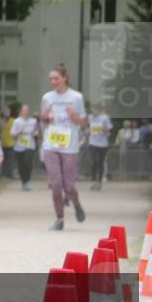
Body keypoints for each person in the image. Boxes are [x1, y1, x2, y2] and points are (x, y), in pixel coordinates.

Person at [40, 63, 87, 230]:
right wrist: (45, 117)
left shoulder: (76, 97)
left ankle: (76, 204)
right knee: (56, 184)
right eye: (51, 79)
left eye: (56, 78)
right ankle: (59, 219)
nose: (53, 81)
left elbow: (83, 123)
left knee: (69, 186)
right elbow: (44, 122)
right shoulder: (47, 97)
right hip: (51, 144)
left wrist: (74, 116)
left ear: (65, 78)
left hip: (69, 145)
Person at [10, 104, 38, 190]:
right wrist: (19, 131)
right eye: (24, 110)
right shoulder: (17, 121)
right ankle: (24, 182)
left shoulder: (33, 121)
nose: (25, 112)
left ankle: (27, 181)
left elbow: (36, 131)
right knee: (21, 165)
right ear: (21, 112)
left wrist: (36, 133)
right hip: (19, 145)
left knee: (28, 163)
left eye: (27, 110)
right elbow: (12, 134)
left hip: (30, 144)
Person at [87, 103, 113, 191]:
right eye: (92, 110)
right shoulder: (90, 117)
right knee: (94, 160)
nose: (93, 112)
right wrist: (88, 130)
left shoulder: (105, 117)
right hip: (93, 142)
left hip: (103, 143)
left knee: (100, 162)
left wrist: (103, 129)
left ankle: (99, 182)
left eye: (94, 110)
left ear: (99, 110)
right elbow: (87, 127)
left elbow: (109, 129)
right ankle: (94, 180)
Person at [0, 102, 18, 179]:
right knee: (4, 159)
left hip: (11, 143)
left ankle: (9, 174)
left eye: (7, 111)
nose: (6, 113)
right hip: (3, 143)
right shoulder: (1, 120)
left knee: (10, 160)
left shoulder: (13, 120)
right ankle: (4, 173)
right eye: (4, 111)